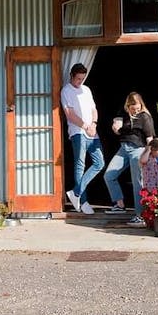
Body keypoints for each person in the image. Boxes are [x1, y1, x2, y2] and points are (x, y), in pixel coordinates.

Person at [103, 92, 156, 226]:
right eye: (133, 108)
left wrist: (149, 154)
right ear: (128, 105)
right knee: (109, 175)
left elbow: (150, 138)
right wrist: (115, 127)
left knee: (137, 182)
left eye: (138, 108)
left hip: (138, 149)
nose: (136, 111)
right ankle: (119, 205)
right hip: (123, 148)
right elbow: (117, 128)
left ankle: (141, 216)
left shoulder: (145, 117)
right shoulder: (124, 114)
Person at [61, 63, 104, 215]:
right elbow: (70, 114)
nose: (80, 81)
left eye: (83, 78)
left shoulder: (86, 89)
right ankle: (83, 201)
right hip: (77, 131)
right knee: (80, 164)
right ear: (72, 76)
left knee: (100, 162)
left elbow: (94, 109)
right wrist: (86, 126)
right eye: (78, 78)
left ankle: (76, 193)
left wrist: (94, 124)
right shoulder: (66, 90)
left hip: (91, 131)